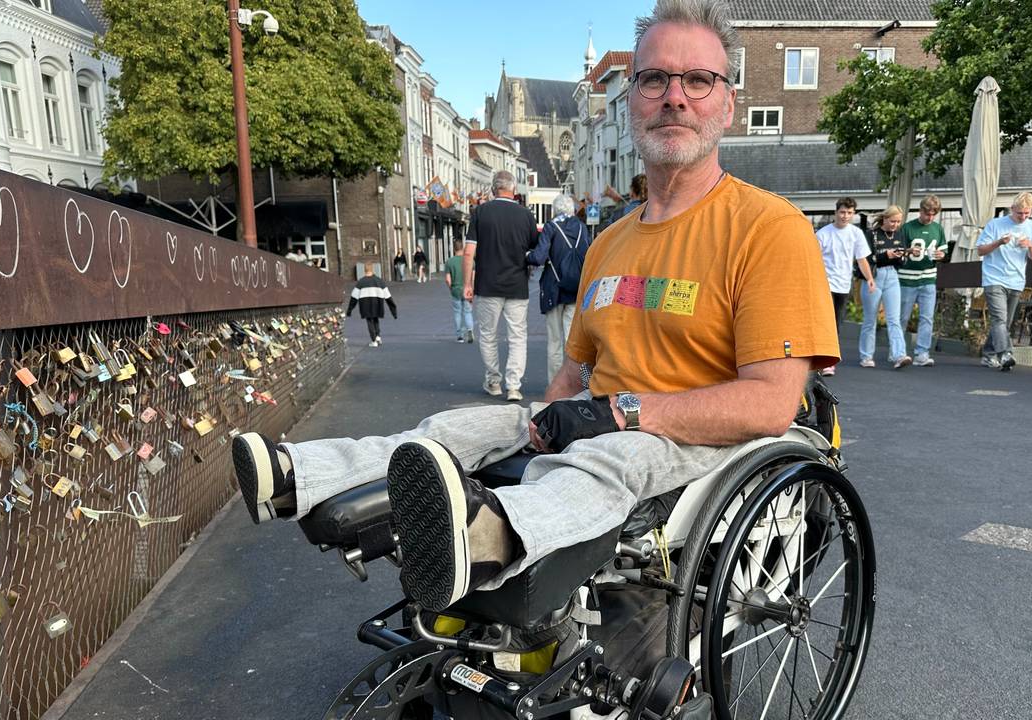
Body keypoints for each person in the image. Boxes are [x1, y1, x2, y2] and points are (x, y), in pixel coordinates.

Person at [231, 0, 838, 613]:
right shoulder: (609, 244)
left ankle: (488, 536)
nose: (674, 97)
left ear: (727, 103)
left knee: (607, 456)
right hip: (602, 413)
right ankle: (304, 479)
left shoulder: (769, 228)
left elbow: (769, 401)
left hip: (697, 439)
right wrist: (540, 424)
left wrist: (620, 413)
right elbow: (574, 376)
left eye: (698, 80)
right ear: (631, 101)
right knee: (457, 430)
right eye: (654, 79)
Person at [463, 170, 539, 402]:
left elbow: (468, 252)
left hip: (487, 285)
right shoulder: (526, 215)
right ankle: (514, 386)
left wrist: (467, 284)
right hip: (517, 286)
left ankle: (494, 381)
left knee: (488, 335)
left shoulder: (480, 213)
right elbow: (533, 251)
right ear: (514, 189)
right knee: (517, 336)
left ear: (493, 189)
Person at [528, 193, 593, 383]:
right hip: (576, 289)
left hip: (554, 290)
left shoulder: (550, 227)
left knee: (555, 342)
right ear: (572, 210)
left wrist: (526, 256)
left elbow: (539, 257)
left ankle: (556, 387)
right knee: (573, 343)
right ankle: (579, 384)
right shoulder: (582, 228)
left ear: (555, 210)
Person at [976, 192, 1032, 371]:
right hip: (994, 277)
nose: (1023, 217)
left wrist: (1030, 245)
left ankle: (989, 354)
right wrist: (999, 242)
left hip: (1016, 280)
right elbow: (981, 250)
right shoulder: (996, 224)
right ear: (1012, 209)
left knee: (1005, 322)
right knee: (999, 318)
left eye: (1027, 213)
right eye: (1019, 213)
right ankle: (1005, 353)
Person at [814, 197, 874, 376]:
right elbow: (814, 259)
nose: (845, 216)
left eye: (849, 213)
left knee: (837, 323)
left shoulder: (855, 233)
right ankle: (824, 362)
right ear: (836, 212)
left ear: (853, 214)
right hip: (825, 284)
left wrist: (869, 278)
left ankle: (830, 358)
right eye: (842, 212)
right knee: (826, 321)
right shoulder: (824, 234)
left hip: (843, 284)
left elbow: (861, 258)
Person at [898, 195, 952, 366]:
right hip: (907, 279)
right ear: (920, 211)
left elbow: (944, 252)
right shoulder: (907, 228)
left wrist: (942, 255)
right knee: (902, 318)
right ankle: (898, 351)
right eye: (927, 214)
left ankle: (922, 353)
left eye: (933, 215)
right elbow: (897, 251)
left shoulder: (938, 229)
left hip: (928, 277)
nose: (929, 217)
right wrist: (908, 251)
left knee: (927, 317)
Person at [859, 205, 910, 369]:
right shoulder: (871, 234)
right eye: (892, 221)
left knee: (894, 318)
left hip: (893, 275)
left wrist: (901, 256)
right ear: (884, 219)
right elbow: (866, 259)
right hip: (875, 275)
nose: (895, 225)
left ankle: (899, 354)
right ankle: (866, 356)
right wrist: (885, 255)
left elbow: (902, 261)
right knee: (870, 318)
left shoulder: (899, 234)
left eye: (898, 222)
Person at [344, 265, 397, 348]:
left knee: (369, 321)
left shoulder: (361, 282)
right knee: (376, 319)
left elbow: (353, 297)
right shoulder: (379, 281)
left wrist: (349, 310)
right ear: (373, 269)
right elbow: (388, 297)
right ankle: (378, 336)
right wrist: (394, 312)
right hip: (377, 304)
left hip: (365, 305)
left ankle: (373, 340)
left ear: (364, 270)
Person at [442, 240, 475, 343]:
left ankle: (460, 336)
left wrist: (451, 288)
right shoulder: (471, 261)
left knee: (457, 313)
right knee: (468, 312)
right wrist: (471, 288)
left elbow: (448, 279)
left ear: (454, 249)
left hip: (456, 290)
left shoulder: (449, 262)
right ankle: (470, 330)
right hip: (468, 289)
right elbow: (473, 277)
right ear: (463, 248)